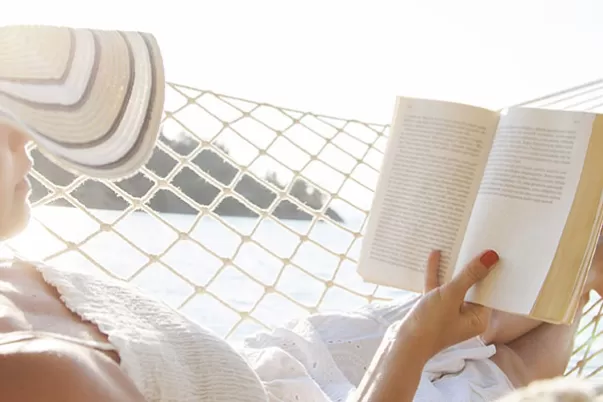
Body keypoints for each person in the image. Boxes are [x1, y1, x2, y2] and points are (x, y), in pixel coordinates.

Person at [0, 24, 601, 401]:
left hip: (273, 362)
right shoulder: (40, 375)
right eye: (3, 122)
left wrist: (415, 338)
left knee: (491, 312)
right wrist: (411, 343)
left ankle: (586, 266)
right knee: (508, 363)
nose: (27, 137)